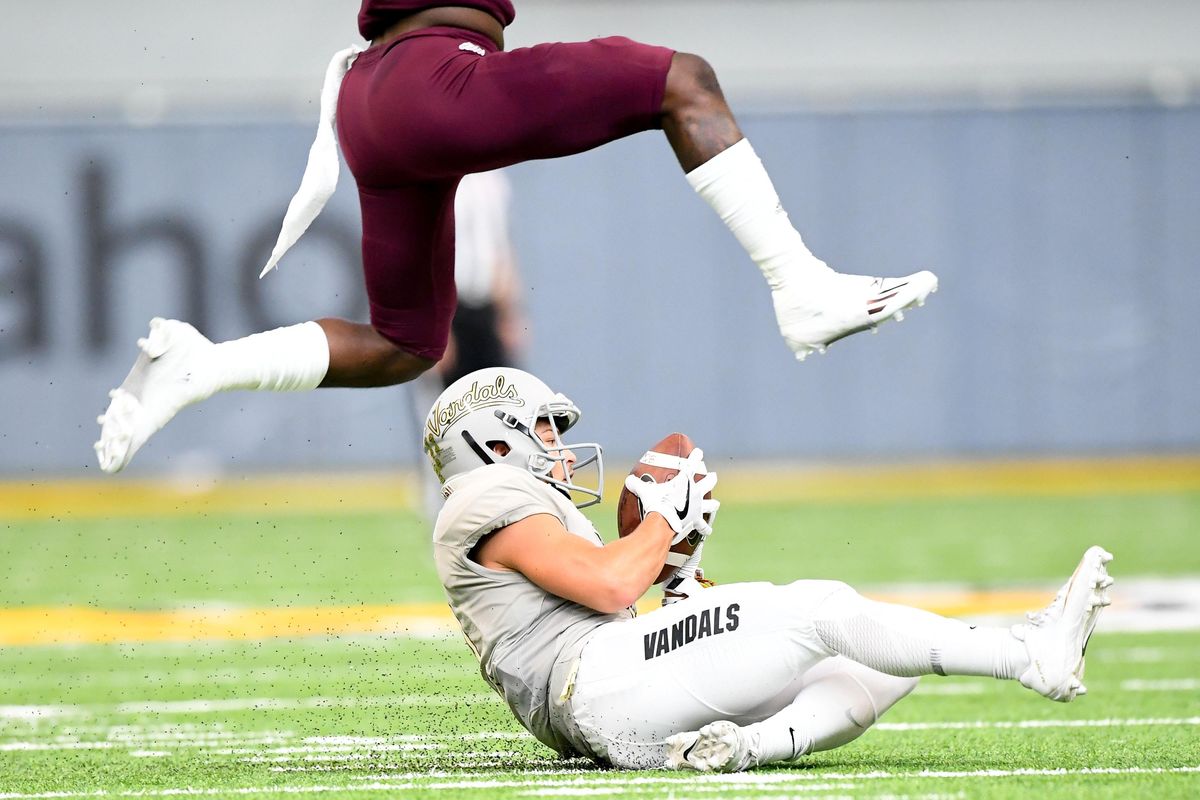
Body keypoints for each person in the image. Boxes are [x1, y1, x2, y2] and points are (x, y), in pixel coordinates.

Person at [94, 1, 938, 473]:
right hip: (436, 76)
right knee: (683, 83)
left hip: (372, 99)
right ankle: (799, 286)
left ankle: (202, 367)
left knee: (401, 343)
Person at [423, 366, 1113, 772]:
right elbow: (608, 584)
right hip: (590, 686)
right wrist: (663, 519)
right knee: (815, 608)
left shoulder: (509, 502)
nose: (563, 450)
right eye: (545, 429)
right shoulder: (487, 495)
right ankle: (1028, 654)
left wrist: (681, 585)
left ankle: (741, 747)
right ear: (491, 438)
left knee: (878, 660)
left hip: (605, 694)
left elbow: (607, 601)